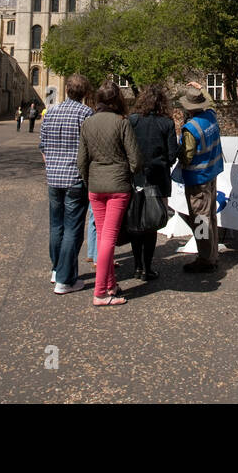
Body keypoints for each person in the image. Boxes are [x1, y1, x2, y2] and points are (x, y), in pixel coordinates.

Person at [77, 81, 142, 306]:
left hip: (96, 186)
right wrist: (128, 174)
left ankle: (109, 285)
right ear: (117, 100)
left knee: (104, 235)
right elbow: (135, 159)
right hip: (117, 187)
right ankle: (100, 293)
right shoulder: (122, 123)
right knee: (109, 239)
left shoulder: (88, 123)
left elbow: (81, 161)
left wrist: (89, 182)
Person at [38, 76, 93, 295]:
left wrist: (52, 164)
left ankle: (56, 269)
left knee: (56, 225)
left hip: (53, 177)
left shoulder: (50, 112)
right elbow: (90, 147)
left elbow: (42, 146)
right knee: (72, 228)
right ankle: (65, 279)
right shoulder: (85, 113)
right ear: (84, 92)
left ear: (67, 89)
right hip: (75, 178)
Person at [128, 84, 178, 281]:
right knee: (151, 224)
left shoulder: (132, 121)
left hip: (136, 178)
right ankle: (147, 267)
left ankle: (137, 266)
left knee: (136, 223)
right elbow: (172, 153)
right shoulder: (166, 123)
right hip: (158, 178)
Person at [175, 87, 223, 272]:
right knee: (210, 216)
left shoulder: (191, 129)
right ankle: (212, 254)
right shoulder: (211, 116)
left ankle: (205, 258)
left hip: (197, 179)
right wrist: (201, 89)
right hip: (212, 173)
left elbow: (186, 156)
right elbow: (211, 104)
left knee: (200, 220)